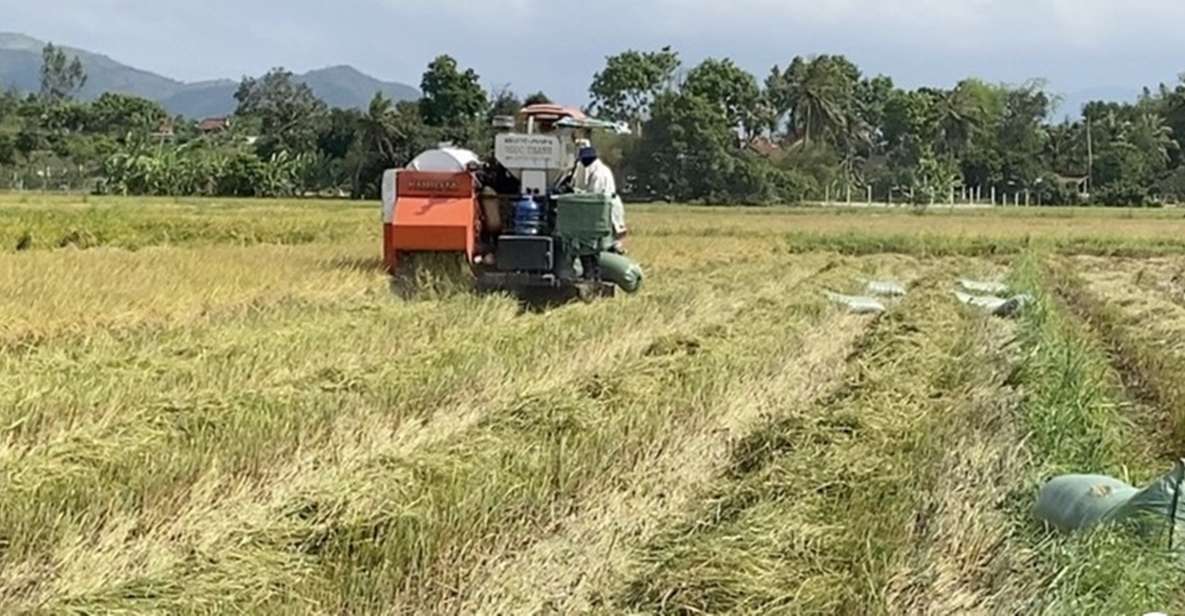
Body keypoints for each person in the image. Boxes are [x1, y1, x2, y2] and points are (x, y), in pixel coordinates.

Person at [572, 144, 627, 250]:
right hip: (607, 206)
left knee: (607, 241)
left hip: (606, 208)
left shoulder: (598, 174)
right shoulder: (599, 169)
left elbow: (594, 197)